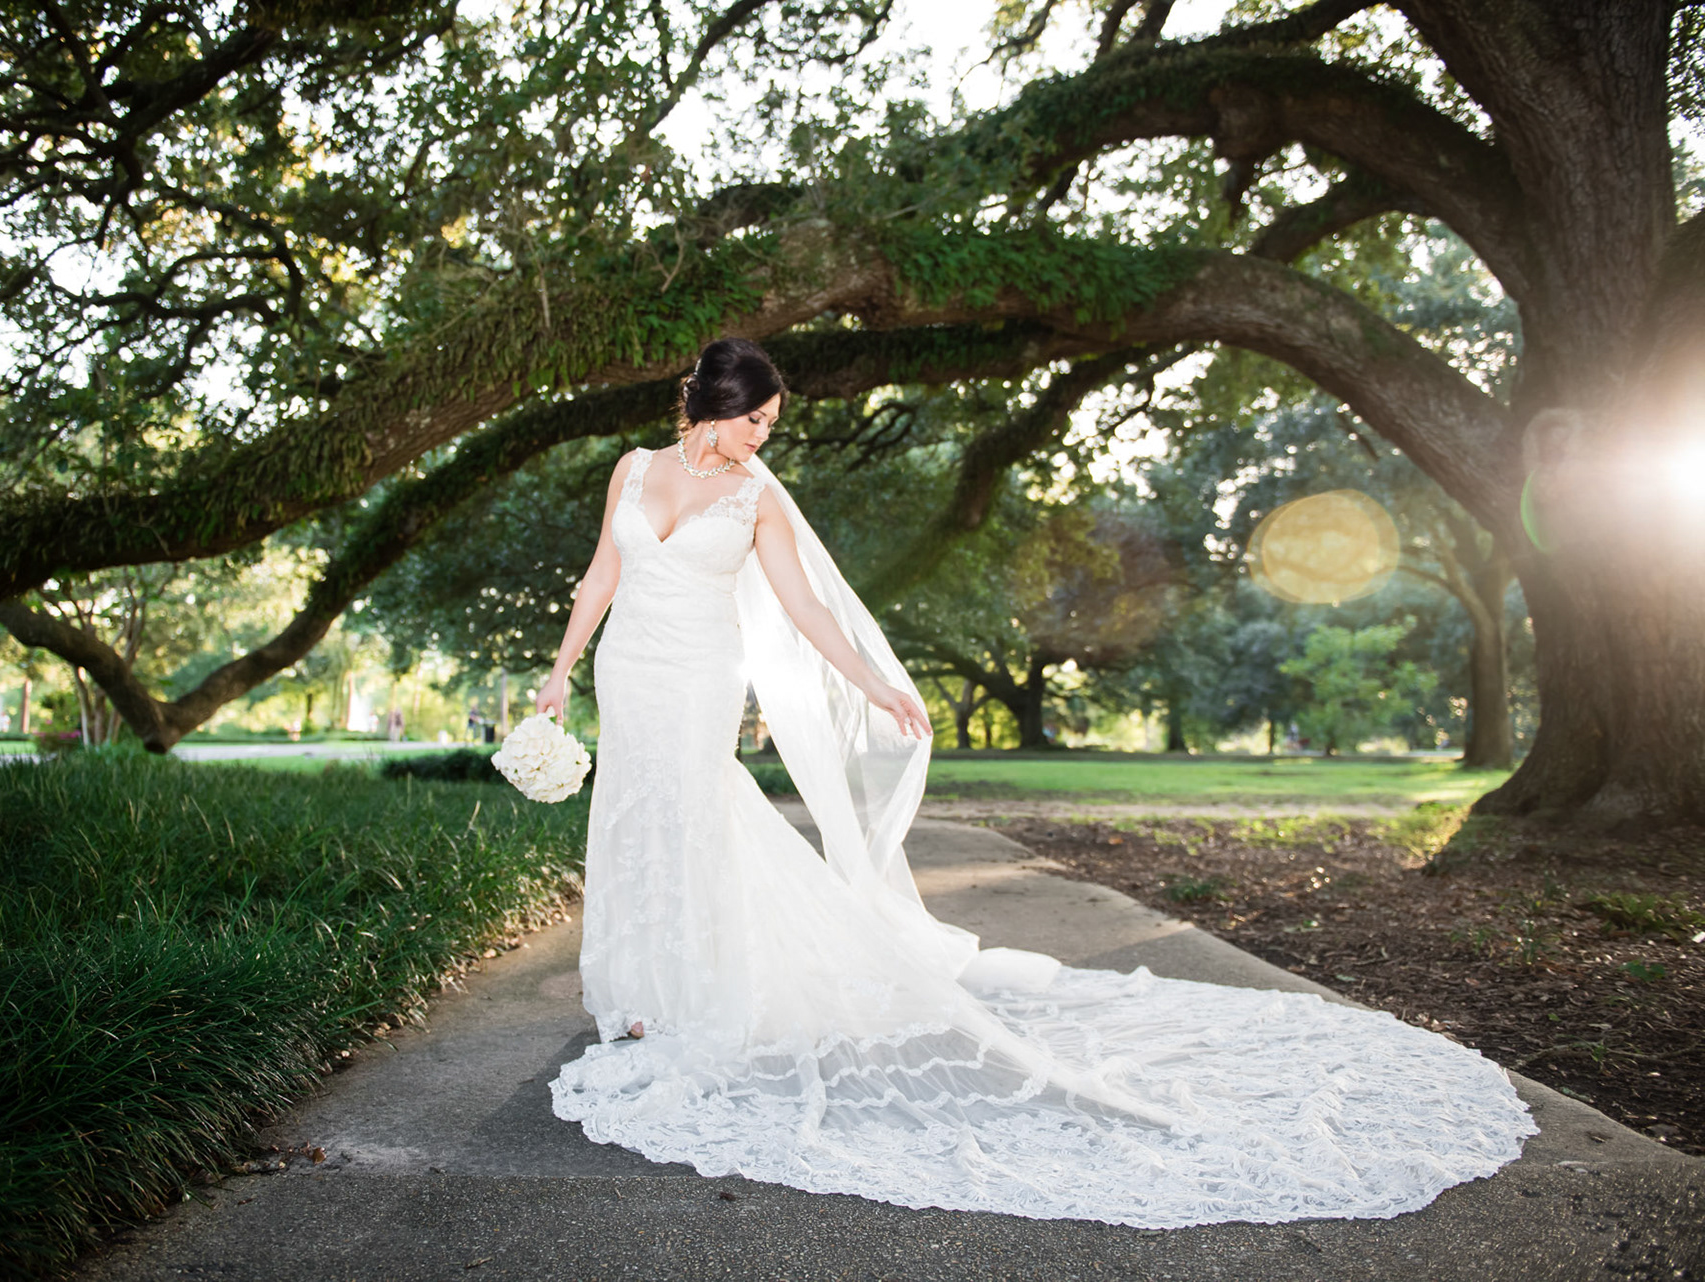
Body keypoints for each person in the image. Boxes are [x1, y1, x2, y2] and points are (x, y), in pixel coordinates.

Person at [531, 337, 1533, 1227]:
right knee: (630, 816)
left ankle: (693, 990)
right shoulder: (633, 467)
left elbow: (804, 613)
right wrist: (562, 668)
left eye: (770, 423)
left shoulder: (758, 498)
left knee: (698, 818)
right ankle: (636, 994)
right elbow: (598, 580)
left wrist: (878, 682)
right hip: (629, 671)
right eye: (756, 419)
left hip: (702, 677)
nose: (763, 436)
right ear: (713, 402)